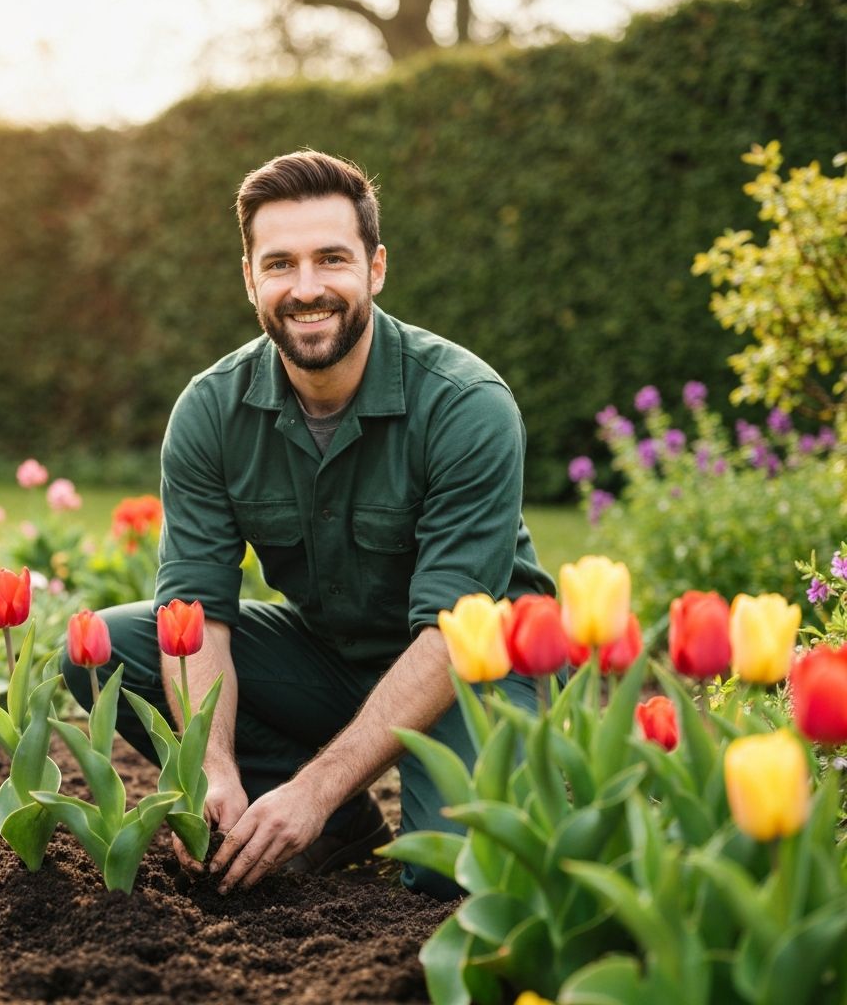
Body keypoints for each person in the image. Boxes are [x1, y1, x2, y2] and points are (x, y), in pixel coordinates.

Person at [62, 150, 555, 901]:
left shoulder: (466, 404)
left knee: (454, 874)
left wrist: (314, 784)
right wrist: (209, 766)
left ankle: (336, 805)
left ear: (376, 267)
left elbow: (455, 633)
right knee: (107, 650)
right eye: (280, 263)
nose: (307, 288)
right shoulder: (210, 410)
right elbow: (195, 611)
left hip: (475, 670)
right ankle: (335, 828)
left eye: (332, 259)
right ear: (249, 277)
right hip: (332, 657)